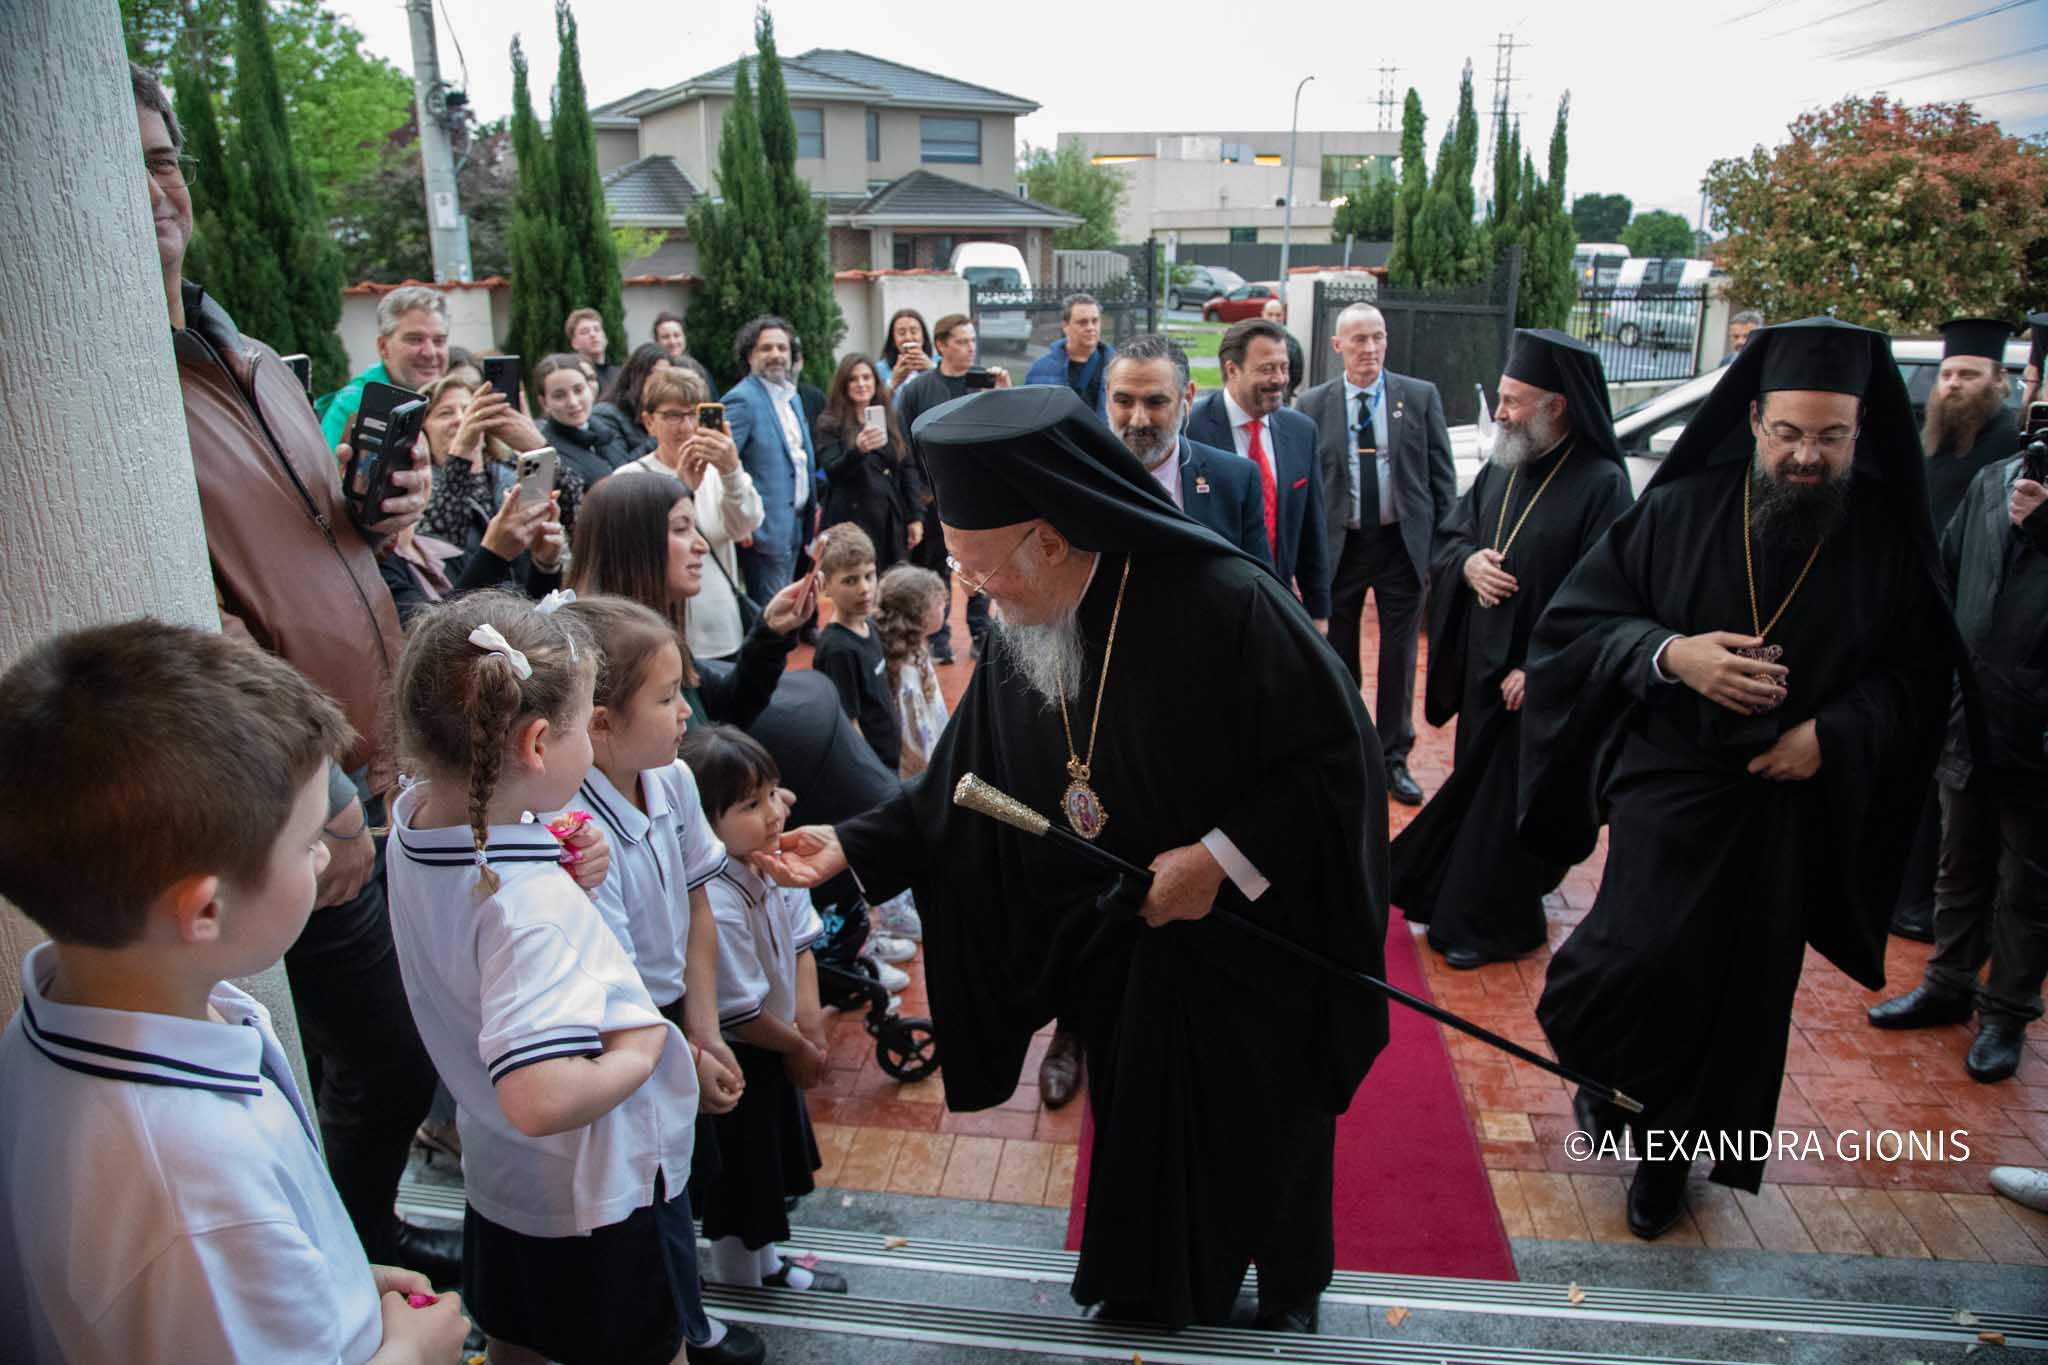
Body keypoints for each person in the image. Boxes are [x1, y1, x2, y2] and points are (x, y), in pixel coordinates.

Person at [764, 385, 1388, 1331]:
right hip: (1133, 952)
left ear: (1049, 541)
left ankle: (1287, 1290)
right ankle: (1153, 1289)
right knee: (1143, 1128)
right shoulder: (1030, 623)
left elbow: (1336, 762)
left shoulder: (1226, 602)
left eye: (983, 570)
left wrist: (1217, 859)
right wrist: (852, 841)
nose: (974, 598)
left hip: (1254, 947)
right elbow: (962, 784)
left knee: (1264, 1132)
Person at [1518, 318, 1956, 1240]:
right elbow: (1576, 626)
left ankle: (1666, 1163)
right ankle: (1611, 1085)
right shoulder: (1679, 511)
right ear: (1753, 420)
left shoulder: (1881, 538)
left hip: (1787, 808)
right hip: (1673, 787)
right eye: (1790, 433)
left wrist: (1829, 734)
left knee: (1737, 996)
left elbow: (1919, 681)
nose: (1808, 456)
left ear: (1860, 432)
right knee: (1624, 966)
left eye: (1832, 437)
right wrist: (1675, 654)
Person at [137, 61, 462, 1285]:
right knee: (379, 1052)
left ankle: (355, 1231)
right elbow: (200, 632)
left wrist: (386, 510)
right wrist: (317, 789)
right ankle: (342, 1251)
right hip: (291, 793)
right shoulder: (124, 386)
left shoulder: (254, 357)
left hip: (371, 759)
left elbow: (318, 530)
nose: (154, 184)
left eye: (163, 157)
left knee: (374, 1048)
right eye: (123, 165)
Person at [0, 622, 471, 1365]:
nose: (326, 854)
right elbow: (215, 1252)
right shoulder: (197, 1196)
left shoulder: (74, 1008)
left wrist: (334, 1281)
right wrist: (413, 1351)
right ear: (205, 910)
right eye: (309, 838)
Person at [381, 594, 762, 1365]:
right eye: (583, 725)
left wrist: (553, 848)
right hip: (599, 1193)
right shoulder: (530, 907)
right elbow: (541, 1095)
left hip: (503, 1184)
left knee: (520, 1343)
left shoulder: (416, 822)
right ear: (533, 743)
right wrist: (646, 1045)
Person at [1389, 330, 1633, 967]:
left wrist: (1543, 669)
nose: (1499, 412)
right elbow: (1451, 534)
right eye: (1501, 397)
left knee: (1508, 811)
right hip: (1482, 671)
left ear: (1558, 405)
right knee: (1478, 801)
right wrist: (1467, 565)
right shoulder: (1504, 463)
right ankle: (1458, 898)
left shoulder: (1602, 482)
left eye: (1514, 401)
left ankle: (1492, 924)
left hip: (1538, 688)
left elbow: (1610, 596)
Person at [1866, 429, 2048, 1082]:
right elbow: (1942, 581)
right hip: (1969, 717)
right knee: (1959, 861)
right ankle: (1948, 982)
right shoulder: (1991, 481)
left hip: (2039, 736)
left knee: (2027, 886)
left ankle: (2006, 1013)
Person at [559, 595, 747, 1115]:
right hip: (624, 1038)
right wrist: (684, 1055)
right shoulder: (577, 834)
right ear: (600, 723)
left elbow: (698, 906)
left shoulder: (673, 777)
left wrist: (705, 1031)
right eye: (667, 699)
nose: (687, 710)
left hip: (679, 1017)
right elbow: (611, 980)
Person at [681, 727, 844, 1296]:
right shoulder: (716, 898)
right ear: (705, 822)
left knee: (766, 1176)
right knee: (742, 1183)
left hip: (778, 1048)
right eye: (750, 804)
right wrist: (798, 1045)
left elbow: (802, 945)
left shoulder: (771, 860)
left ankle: (766, 1267)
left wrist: (809, 1030)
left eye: (773, 794)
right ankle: (742, 1283)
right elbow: (738, 1011)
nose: (774, 813)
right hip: (743, 1059)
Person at [1890, 317, 2024, 941]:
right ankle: (1905, 894)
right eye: (1946, 375)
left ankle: (1934, 908)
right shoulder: (1937, 438)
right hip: (1920, 633)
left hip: (1975, 644)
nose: (1952, 386)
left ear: (2000, 379)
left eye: (1968, 374)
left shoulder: (2011, 448)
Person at [1296, 302, 1456, 805]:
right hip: (1339, 548)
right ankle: (1351, 751)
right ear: (1338, 346)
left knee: (1400, 656)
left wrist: (1440, 549)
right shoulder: (1313, 405)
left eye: (1378, 338)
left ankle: (1393, 758)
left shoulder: (1419, 396)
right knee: (1339, 657)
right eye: (1359, 340)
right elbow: (1306, 487)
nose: (1370, 349)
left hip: (1399, 547)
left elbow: (1441, 479)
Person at [569, 471, 819, 733]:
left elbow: (726, 710)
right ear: (632, 545)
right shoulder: (605, 662)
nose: (702, 545)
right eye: (680, 528)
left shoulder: (659, 636)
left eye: (695, 528)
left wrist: (772, 631)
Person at [1186, 318, 1332, 629]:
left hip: (1277, 605)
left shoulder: (1301, 431)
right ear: (1232, 370)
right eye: (1266, 369)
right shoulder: (1190, 431)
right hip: (1208, 608)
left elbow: (1312, 528)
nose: (1279, 379)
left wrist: (1318, 612)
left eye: (1284, 367)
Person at [618, 365, 766, 663]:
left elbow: (746, 524)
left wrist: (732, 470)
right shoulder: (629, 477)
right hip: (662, 631)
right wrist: (682, 489)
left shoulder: (718, 472)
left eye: (693, 415)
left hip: (723, 628)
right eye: (673, 415)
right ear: (649, 422)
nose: (685, 426)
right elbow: (635, 553)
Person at [895, 313, 1013, 662]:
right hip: (933, 496)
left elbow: (1007, 435)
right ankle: (938, 634)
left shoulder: (985, 383)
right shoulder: (918, 389)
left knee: (980, 566)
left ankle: (980, 631)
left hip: (978, 494)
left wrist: (1005, 395)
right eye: (961, 341)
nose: (969, 348)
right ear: (942, 345)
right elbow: (905, 444)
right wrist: (918, 493)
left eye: (973, 341)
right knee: (935, 567)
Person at [1105, 334, 1268, 564]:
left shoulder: (1236, 482)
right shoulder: (1078, 478)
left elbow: (1259, 589)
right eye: (1123, 401)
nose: (1138, 420)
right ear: (1106, 396)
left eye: (1156, 402)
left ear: (1188, 398)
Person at [419, 372, 578, 570]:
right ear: (424, 429)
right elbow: (441, 543)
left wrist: (539, 447)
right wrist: (460, 454)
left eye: (469, 410)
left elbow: (575, 513)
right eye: (445, 413)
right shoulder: (422, 486)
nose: (461, 420)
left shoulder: (511, 469)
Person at [725, 315, 818, 604]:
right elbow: (722, 463)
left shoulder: (791, 397)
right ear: (751, 355)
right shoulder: (742, 400)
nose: (776, 355)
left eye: (782, 348)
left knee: (788, 608)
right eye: (766, 348)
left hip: (794, 525)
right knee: (771, 616)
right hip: (763, 531)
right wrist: (741, 519)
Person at [816, 353, 925, 571]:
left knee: (890, 581)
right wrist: (858, 450)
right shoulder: (829, 422)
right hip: (849, 516)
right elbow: (832, 471)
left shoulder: (893, 417)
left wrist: (915, 516)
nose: (861, 384)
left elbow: (907, 468)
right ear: (843, 384)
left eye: (867, 378)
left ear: (876, 382)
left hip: (887, 514)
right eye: (853, 379)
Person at [811, 524, 900, 774]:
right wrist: (873, 773)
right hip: (872, 767)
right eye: (850, 580)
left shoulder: (869, 627)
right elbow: (849, 725)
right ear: (825, 585)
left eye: (869, 575)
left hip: (888, 756)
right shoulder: (837, 649)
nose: (864, 588)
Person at [319, 284, 452, 448]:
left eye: (439, 341)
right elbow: (328, 473)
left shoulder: (456, 400)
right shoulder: (356, 405)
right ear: (383, 347)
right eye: (415, 339)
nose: (430, 352)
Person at [536, 352, 636, 488]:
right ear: (544, 403)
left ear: (591, 389)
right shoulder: (546, 452)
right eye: (559, 396)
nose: (573, 402)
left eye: (578, 390)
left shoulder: (607, 432)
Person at [1024, 293, 1114, 414]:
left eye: (1095, 321)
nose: (1091, 327)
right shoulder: (1040, 370)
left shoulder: (1117, 367)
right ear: (1065, 326)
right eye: (1083, 322)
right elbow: (1028, 414)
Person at [591, 343, 670, 459]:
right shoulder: (606, 415)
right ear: (636, 376)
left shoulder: (664, 410)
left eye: (667, 376)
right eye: (655, 375)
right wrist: (660, 436)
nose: (662, 383)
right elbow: (620, 467)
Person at [875, 307, 934, 396]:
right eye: (901, 333)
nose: (908, 337)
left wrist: (933, 371)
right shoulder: (879, 369)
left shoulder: (941, 363)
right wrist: (893, 383)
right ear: (893, 340)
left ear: (923, 336)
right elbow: (875, 403)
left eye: (914, 332)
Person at [1260, 297, 1306, 403]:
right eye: (1270, 314)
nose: (1274, 319)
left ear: (1284, 316)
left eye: (1278, 315)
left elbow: (1297, 374)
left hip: (1280, 398)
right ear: (1263, 314)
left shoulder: (1292, 343)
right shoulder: (1251, 340)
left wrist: (1284, 388)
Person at [565, 306, 617, 393]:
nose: (593, 334)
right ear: (574, 343)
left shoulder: (621, 374)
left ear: (605, 338)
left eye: (597, 329)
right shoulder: (573, 377)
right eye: (585, 331)